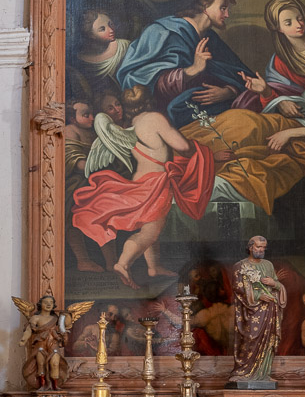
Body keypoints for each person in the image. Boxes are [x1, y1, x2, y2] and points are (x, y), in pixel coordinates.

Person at [181, 28, 305, 214]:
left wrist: (290, 133)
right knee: (242, 122)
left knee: (255, 139)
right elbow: (302, 115)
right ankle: (184, 155)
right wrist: (267, 93)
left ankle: (209, 177)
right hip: (301, 132)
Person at [72, 85, 221, 289]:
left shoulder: (131, 125)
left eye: (118, 104)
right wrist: (209, 153)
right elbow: (183, 147)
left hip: (141, 179)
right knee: (151, 231)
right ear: (149, 101)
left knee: (150, 224)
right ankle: (123, 263)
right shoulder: (155, 118)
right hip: (155, 183)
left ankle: (154, 267)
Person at [116, 0, 254, 128]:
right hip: (168, 115)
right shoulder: (163, 32)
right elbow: (139, 79)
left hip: (206, 110)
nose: (227, 15)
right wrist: (192, 70)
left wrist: (229, 92)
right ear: (205, 7)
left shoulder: (211, 39)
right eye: (223, 8)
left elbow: (239, 75)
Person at [65, 99, 118, 273]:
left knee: (106, 220)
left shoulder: (95, 131)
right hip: (76, 185)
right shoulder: (70, 130)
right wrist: (99, 165)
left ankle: (112, 262)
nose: (92, 118)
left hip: (97, 182)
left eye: (92, 114)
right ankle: (83, 260)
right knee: (73, 222)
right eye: (85, 115)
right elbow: (77, 162)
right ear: (72, 119)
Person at [228, 236, 287, 384]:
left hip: (269, 310)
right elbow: (238, 288)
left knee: (268, 341)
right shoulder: (240, 266)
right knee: (250, 338)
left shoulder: (268, 265)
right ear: (250, 247)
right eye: (258, 247)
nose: (261, 250)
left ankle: (263, 373)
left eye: (263, 247)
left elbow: (276, 285)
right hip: (251, 310)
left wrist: (274, 283)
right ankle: (243, 372)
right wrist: (258, 295)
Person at [77, 10, 130, 91]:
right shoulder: (82, 60)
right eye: (102, 29)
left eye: (111, 24)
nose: (111, 30)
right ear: (91, 35)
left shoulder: (124, 46)